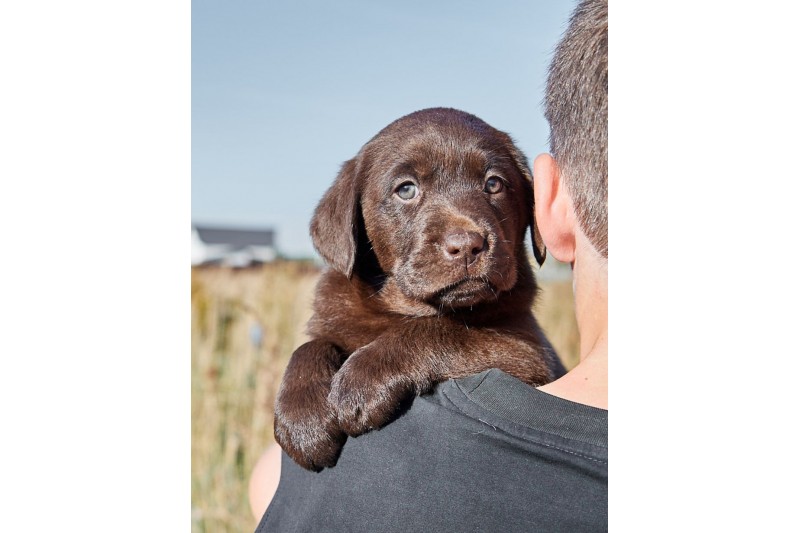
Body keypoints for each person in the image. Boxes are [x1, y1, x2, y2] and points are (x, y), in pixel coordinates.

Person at [250, 0, 608, 530]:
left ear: (536, 212)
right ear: (352, 223)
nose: (465, 231)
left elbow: (525, 362)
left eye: (493, 186)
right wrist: (312, 361)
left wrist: (409, 351)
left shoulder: (504, 316)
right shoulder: (344, 305)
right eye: (406, 189)